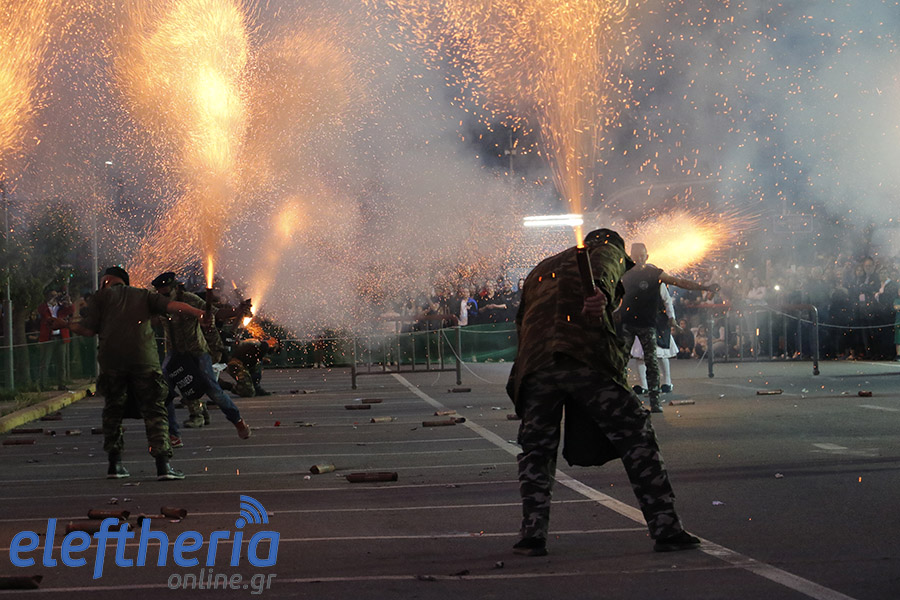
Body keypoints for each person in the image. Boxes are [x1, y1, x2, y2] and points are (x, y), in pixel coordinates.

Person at [507, 228, 701, 557]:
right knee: (636, 434)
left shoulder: (541, 268)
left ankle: (532, 534)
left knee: (537, 449)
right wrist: (600, 297)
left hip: (536, 366)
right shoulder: (607, 249)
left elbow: (522, 320)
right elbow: (601, 279)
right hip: (583, 357)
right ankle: (666, 527)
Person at [58, 266, 203, 480]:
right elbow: (173, 306)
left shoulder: (100, 298)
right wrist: (200, 313)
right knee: (154, 410)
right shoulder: (142, 295)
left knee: (113, 411)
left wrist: (65, 324)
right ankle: (163, 466)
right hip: (143, 360)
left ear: (107, 280)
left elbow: (88, 330)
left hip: (112, 362)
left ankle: (115, 465)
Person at [619, 242, 717, 412]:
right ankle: (620, 399)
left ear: (647, 256)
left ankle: (655, 401)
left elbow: (678, 282)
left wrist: (704, 287)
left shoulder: (655, 273)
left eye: (642, 255)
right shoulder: (624, 274)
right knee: (621, 362)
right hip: (627, 324)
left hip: (648, 325)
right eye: (636, 256)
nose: (639, 259)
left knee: (653, 362)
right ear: (631, 256)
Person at [151, 272, 251, 439]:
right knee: (164, 391)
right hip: (174, 353)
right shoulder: (158, 303)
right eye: (160, 293)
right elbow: (150, 319)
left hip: (196, 351)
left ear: (175, 288)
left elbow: (216, 313)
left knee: (214, 391)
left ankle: (238, 421)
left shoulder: (190, 299)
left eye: (166, 293)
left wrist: (237, 311)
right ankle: (173, 434)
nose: (163, 297)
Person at [38, 290, 73, 390]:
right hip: (48, 338)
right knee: (45, 363)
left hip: (60, 337)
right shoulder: (44, 307)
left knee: (61, 363)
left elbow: (71, 310)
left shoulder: (61, 308)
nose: (55, 297)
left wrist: (68, 301)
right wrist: (50, 302)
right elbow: (42, 312)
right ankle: (43, 385)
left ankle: (62, 384)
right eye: (52, 295)